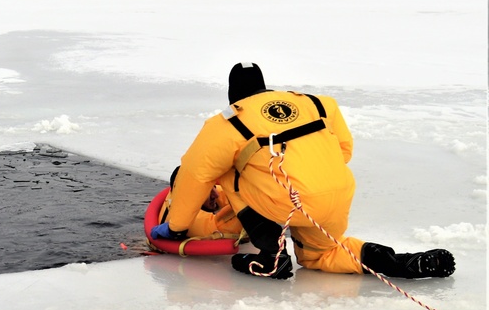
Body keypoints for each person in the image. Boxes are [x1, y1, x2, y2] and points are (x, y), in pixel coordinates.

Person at [151, 62, 455, 280]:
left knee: (225, 172)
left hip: (284, 205)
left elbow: (195, 177)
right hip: (335, 195)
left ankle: (272, 257)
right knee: (320, 256)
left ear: (234, 96)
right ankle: (398, 264)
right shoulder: (316, 104)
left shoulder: (226, 124)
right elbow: (344, 151)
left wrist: (176, 228)